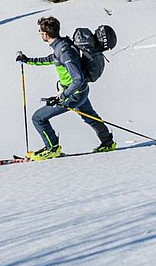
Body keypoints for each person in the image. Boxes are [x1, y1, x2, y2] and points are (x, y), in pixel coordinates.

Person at [16, 16, 115, 160]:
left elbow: (78, 78)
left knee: (38, 118)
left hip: (74, 94)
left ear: (45, 34)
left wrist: (61, 97)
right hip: (80, 92)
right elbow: (52, 59)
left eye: (40, 31)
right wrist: (28, 60)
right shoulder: (61, 45)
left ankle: (52, 149)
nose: (39, 33)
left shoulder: (64, 51)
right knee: (91, 117)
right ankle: (108, 143)